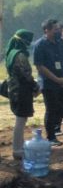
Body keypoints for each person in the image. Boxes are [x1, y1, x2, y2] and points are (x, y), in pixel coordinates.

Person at [33, 19, 63, 146]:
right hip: (49, 84)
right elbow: (40, 66)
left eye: (58, 28)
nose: (58, 31)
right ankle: (51, 137)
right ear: (47, 30)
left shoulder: (60, 42)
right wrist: (57, 79)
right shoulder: (40, 45)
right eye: (55, 29)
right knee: (52, 110)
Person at [6, 30, 39, 159]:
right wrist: (35, 86)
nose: (28, 44)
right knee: (20, 120)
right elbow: (26, 75)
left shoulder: (11, 53)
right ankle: (17, 150)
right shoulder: (20, 55)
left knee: (21, 118)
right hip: (21, 90)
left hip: (14, 89)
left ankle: (19, 147)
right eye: (27, 41)